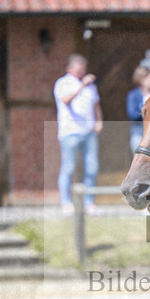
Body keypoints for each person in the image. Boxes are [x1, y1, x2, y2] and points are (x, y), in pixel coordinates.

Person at [54, 53, 103, 216]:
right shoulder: (62, 83)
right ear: (69, 68)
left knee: (92, 167)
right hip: (70, 132)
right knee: (68, 168)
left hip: (88, 132)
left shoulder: (91, 86)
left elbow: (96, 105)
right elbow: (66, 100)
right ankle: (66, 203)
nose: (82, 71)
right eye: (79, 68)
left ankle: (89, 202)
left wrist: (98, 121)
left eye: (83, 68)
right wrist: (81, 85)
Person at [126, 63, 150, 156]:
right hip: (139, 134)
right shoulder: (133, 95)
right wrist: (148, 112)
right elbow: (133, 115)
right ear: (142, 80)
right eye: (149, 77)